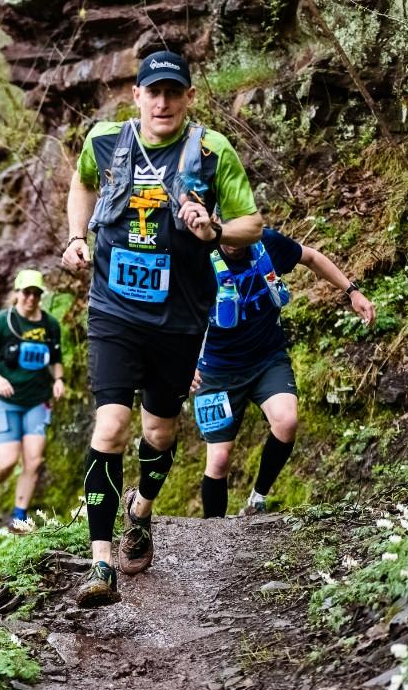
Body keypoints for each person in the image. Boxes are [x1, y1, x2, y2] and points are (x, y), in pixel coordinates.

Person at [62, 49, 264, 607]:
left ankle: (142, 509)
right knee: (110, 429)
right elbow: (81, 183)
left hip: (178, 319)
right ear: (137, 96)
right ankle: (100, 563)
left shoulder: (210, 150)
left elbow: (253, 224)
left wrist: (215, 226)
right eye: (154, 91)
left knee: (160, 435)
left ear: (188, 98)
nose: (163, 102)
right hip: (113, 310)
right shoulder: (103, 141)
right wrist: (78, 236)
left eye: (174, 92)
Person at [192, 228, 375, 516]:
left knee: (287, 421)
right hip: (217, 372)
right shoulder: (196, 256)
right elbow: (169, 309)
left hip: (267, 359)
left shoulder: (267, 243)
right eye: (230, 234)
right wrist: (181, 363)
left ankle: (257, 499)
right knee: (219, 460)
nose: (237, 243)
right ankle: (213, 537)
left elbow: (312, 257)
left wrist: (352, 291)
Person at [0, 269, 65, 531]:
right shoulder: (2, 322)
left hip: (37, 400)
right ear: (17, 293)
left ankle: (19, 517)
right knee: (7, 460)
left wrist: (59, 380)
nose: (31, 298)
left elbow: (56, 361)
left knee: (34, 460)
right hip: (5, 400)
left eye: (37, 293)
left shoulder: (50, 325)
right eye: (27, 292)